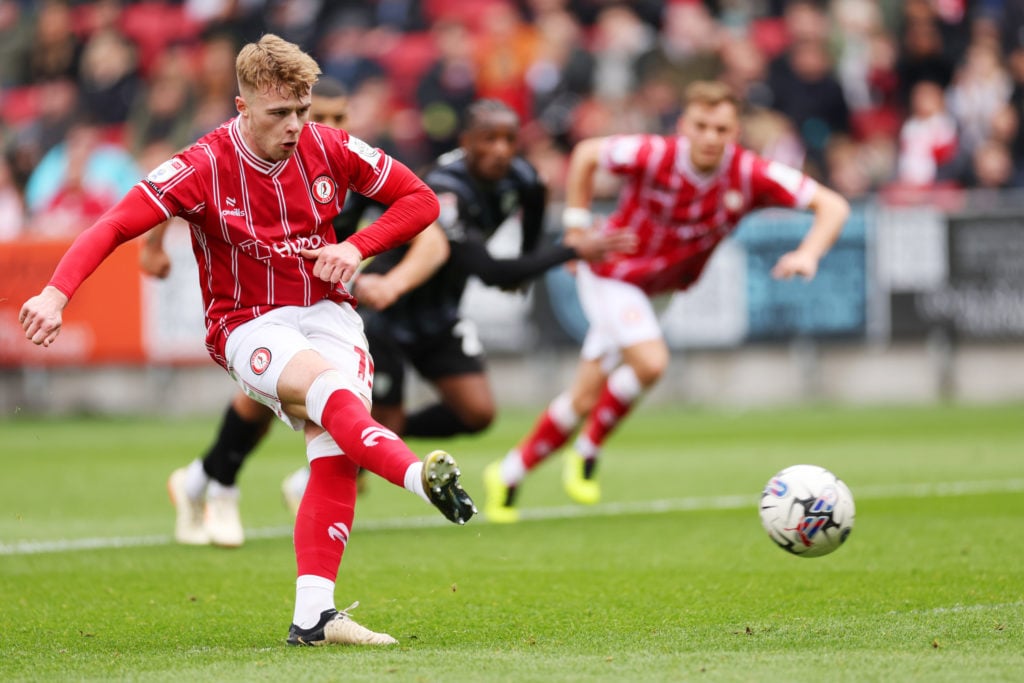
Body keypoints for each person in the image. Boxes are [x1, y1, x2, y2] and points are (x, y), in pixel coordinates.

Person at [20, 34, 475, 647]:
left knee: (334, 448)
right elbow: (113, 225)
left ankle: (315, 615)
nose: (294, 126)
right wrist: (55, 293)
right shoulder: (203, 164)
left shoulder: (329, 145)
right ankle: (420, 479)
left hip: (328, 312)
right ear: (241, 107)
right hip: (248, 322)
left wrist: (355, 246)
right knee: (329, 392)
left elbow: (420, 200)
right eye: (278, 113)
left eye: (302, 111)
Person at [484, 80, 851, 524]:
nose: (711, 137)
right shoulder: (653, 154)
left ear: (735, 132)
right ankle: (588, 448)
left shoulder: (750, 173)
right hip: (611, 274)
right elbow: (585, 156)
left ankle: (507, 474)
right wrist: (577, 230)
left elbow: (832, 205)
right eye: (702, 126)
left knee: (583, 397)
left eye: (722, 129)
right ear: (684, 126)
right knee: (652, 361)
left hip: (661, 290)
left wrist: (808, 253)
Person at [277, 98, 637, 512]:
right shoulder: (445, 191)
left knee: (477, 413)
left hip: (442, 313)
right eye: (489, 139)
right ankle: (315, 474)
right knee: (376, 442)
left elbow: (524, 247)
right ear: (466, 142)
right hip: (388, 313)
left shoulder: (524, 180)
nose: (500, 149)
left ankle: (374, 434)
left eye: (508, 140)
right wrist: (571, 249)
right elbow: (488, 270)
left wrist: (533, 260)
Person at [138, 76, 440, 549]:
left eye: (339, 117)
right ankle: (220, 486)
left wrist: (389, 277)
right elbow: (178, 193)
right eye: (319, 115)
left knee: (347, 401)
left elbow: (429, 230)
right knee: (263, 397)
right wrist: (153, 246)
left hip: (330, 302)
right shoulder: (261, 158)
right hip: (262, 303)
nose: (326, 125)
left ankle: (206, 481)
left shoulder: (347, 161)